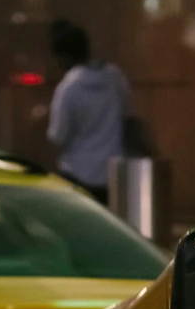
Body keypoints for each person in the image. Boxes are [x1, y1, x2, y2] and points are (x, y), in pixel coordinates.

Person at [46, 21, 134, 198]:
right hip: (112, 174)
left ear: (63, 57)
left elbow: (58, 136)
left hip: (77, 175)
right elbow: (129, 115)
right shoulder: (114, 76)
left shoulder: (67, 88)